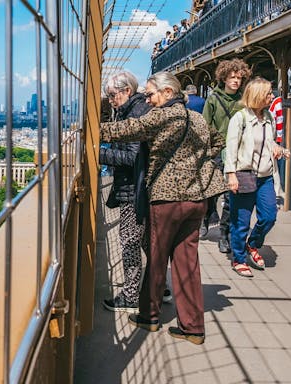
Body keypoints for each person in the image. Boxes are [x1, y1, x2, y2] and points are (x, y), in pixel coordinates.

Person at [100, 71, 226, 344]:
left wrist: (91, 130)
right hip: (196, 200)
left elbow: (125, 131)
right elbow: (218, 141)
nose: (147, 99)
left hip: (167, 199)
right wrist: (196, 162)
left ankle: (149, 316)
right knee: (187, 263)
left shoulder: (160, 116)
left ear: (168, 93)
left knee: (157, 259)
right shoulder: (197, 119)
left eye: (150, 93)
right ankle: (193, 328)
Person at [225, 77, 291, 277]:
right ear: (257, 96)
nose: (272, 97)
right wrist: (231, 175)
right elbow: (231, 148)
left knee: (269, 216)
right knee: (240, 221)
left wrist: (279, 148)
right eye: (268, 93)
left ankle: (252, 244)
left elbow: (268, 141)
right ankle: (238, 258)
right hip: (244, 175)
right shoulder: (240, 118)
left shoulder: (269, 117)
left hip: (266, 177)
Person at [100, 71, 151, 312]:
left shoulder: (135, 113)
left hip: (135, 188)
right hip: (139, 186)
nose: (110, 100)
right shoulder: (134, 110)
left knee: (130, 241)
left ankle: (131, 296)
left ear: (127, 91)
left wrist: (98, 153)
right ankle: (156, 287)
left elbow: (132, 157)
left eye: (112, 95)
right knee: (147, 242)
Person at [202, 58, 251, 252]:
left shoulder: (243, 101)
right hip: (216, 153)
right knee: (212, 193)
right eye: (232, 77)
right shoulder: (213, 99)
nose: (236, 81)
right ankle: (206, 218)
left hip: (236, 154)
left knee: (232, 197)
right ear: (224, 78)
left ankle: (225, 235)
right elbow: (205, 126)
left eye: (239, 78)